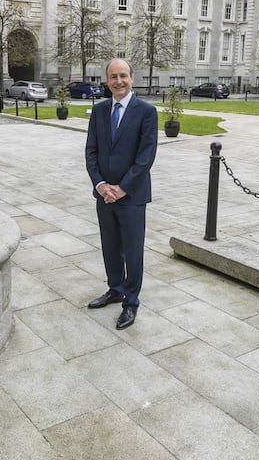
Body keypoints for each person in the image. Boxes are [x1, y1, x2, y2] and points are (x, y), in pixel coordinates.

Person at [84, 58, 158, 330]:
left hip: (132, 197)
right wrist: (101, 184)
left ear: (132, 77)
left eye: (123, 75)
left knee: (132, 250)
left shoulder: (146, 112)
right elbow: (91, 152)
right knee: (110, 246)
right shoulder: (100, 111)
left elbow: (146, 156)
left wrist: (122, 188)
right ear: (107, 81)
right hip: (104, 196)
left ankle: (131, 301)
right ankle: (115, 288)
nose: (119, 81)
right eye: (113, 76)